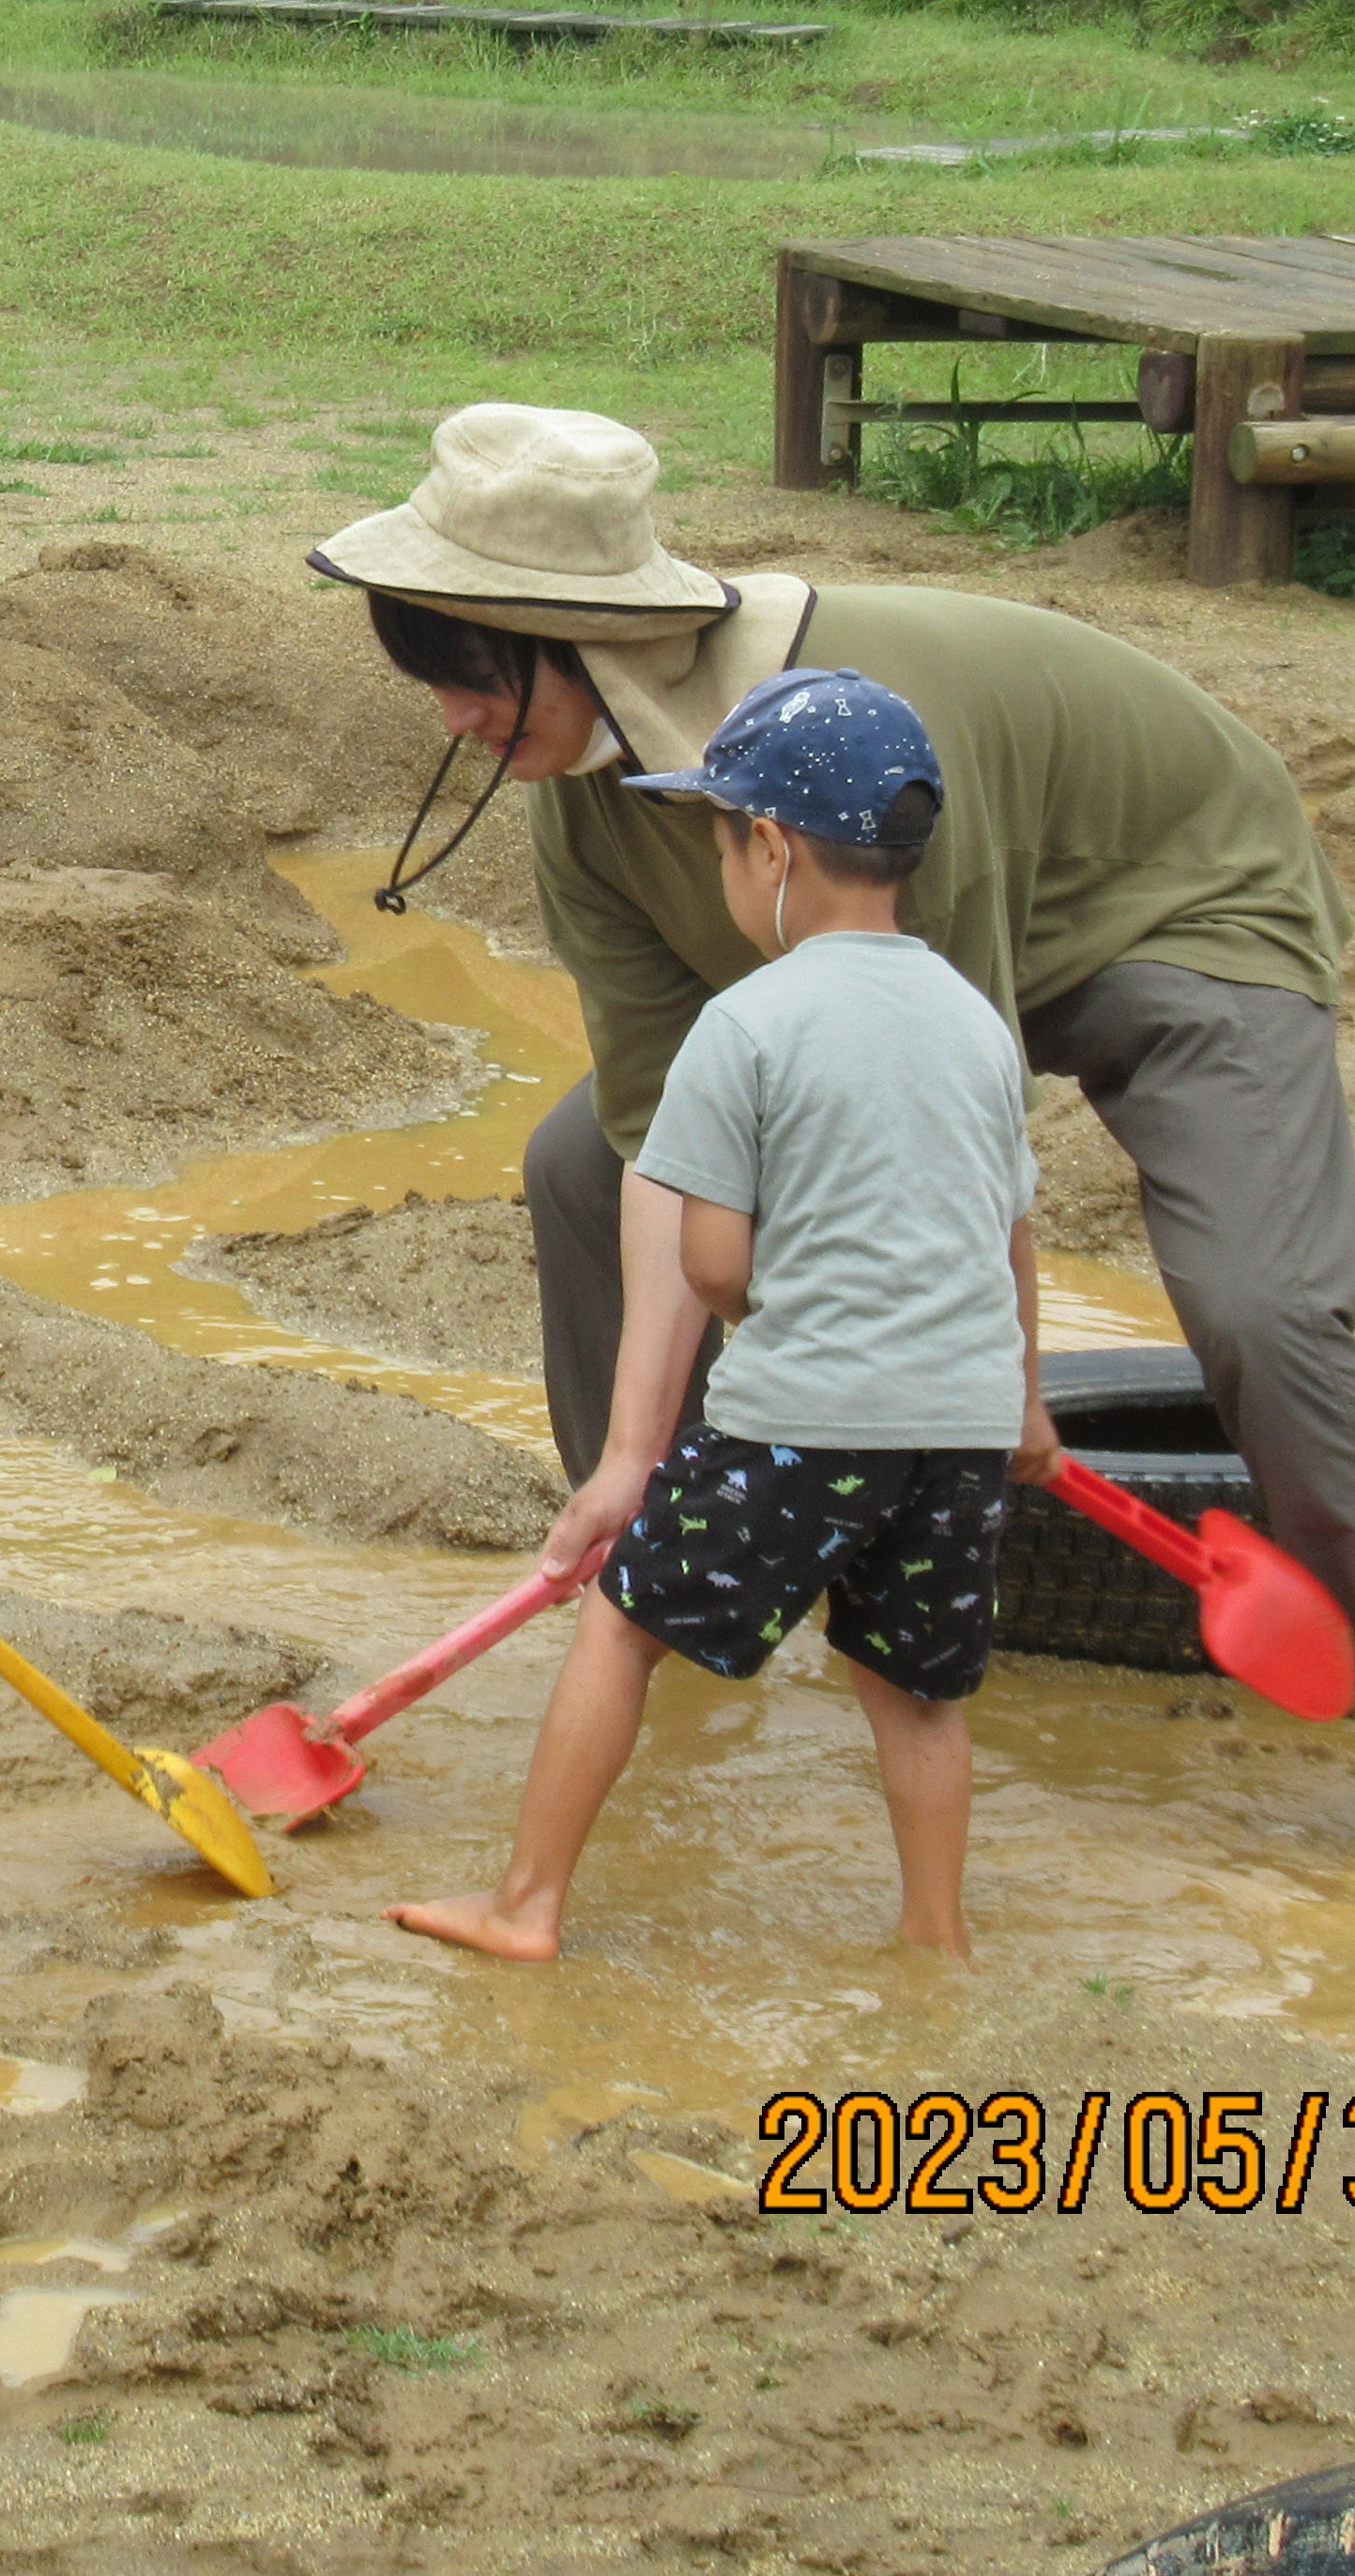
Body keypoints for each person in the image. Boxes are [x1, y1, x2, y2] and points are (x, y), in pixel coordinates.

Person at [309, 403, 1355, 1881]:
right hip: (865, 959)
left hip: (1179, 909)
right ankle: (652, 1581)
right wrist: (641, 1451)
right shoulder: (589, 813)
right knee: (575, 1165)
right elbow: (658, 1146)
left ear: (571, 633)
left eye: (464, 673)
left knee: (1260, 1310)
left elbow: (938, 1131)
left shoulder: (867, 745)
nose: (446, 715)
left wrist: (923, 1394)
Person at [395, 668, 1051, 1964]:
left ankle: (526, 1904)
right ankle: (935, 1933)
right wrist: (1022, 1400)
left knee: (624, 1626)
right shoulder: (978, 1026)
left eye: (717, 843)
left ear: (770, 849)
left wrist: (755, 1303)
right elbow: (1010, 1236)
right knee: (917, 1689)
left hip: (807, 1408)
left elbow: (710, 1257)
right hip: (963, 1421)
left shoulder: (743, 1025)